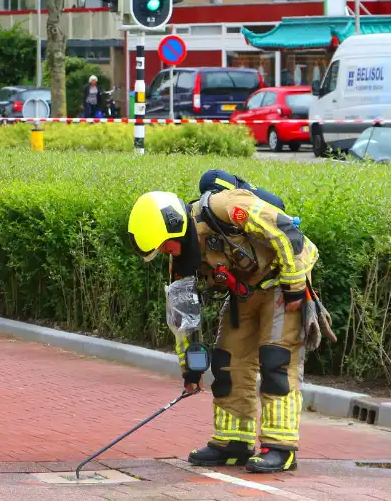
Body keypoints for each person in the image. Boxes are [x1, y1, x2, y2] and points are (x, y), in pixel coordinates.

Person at [127, 185, 333, 474]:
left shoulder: (227, 207)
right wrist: (191, 369)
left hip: (282, 281)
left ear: (175, 228)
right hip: (245, 292)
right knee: (226, 363)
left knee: (277, 360)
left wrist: (295, 287)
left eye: (164, 245)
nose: (164, 252)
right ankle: (233, 443)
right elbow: (185, 318)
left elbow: (286, 233)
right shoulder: (182, 258)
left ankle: (281, 447)